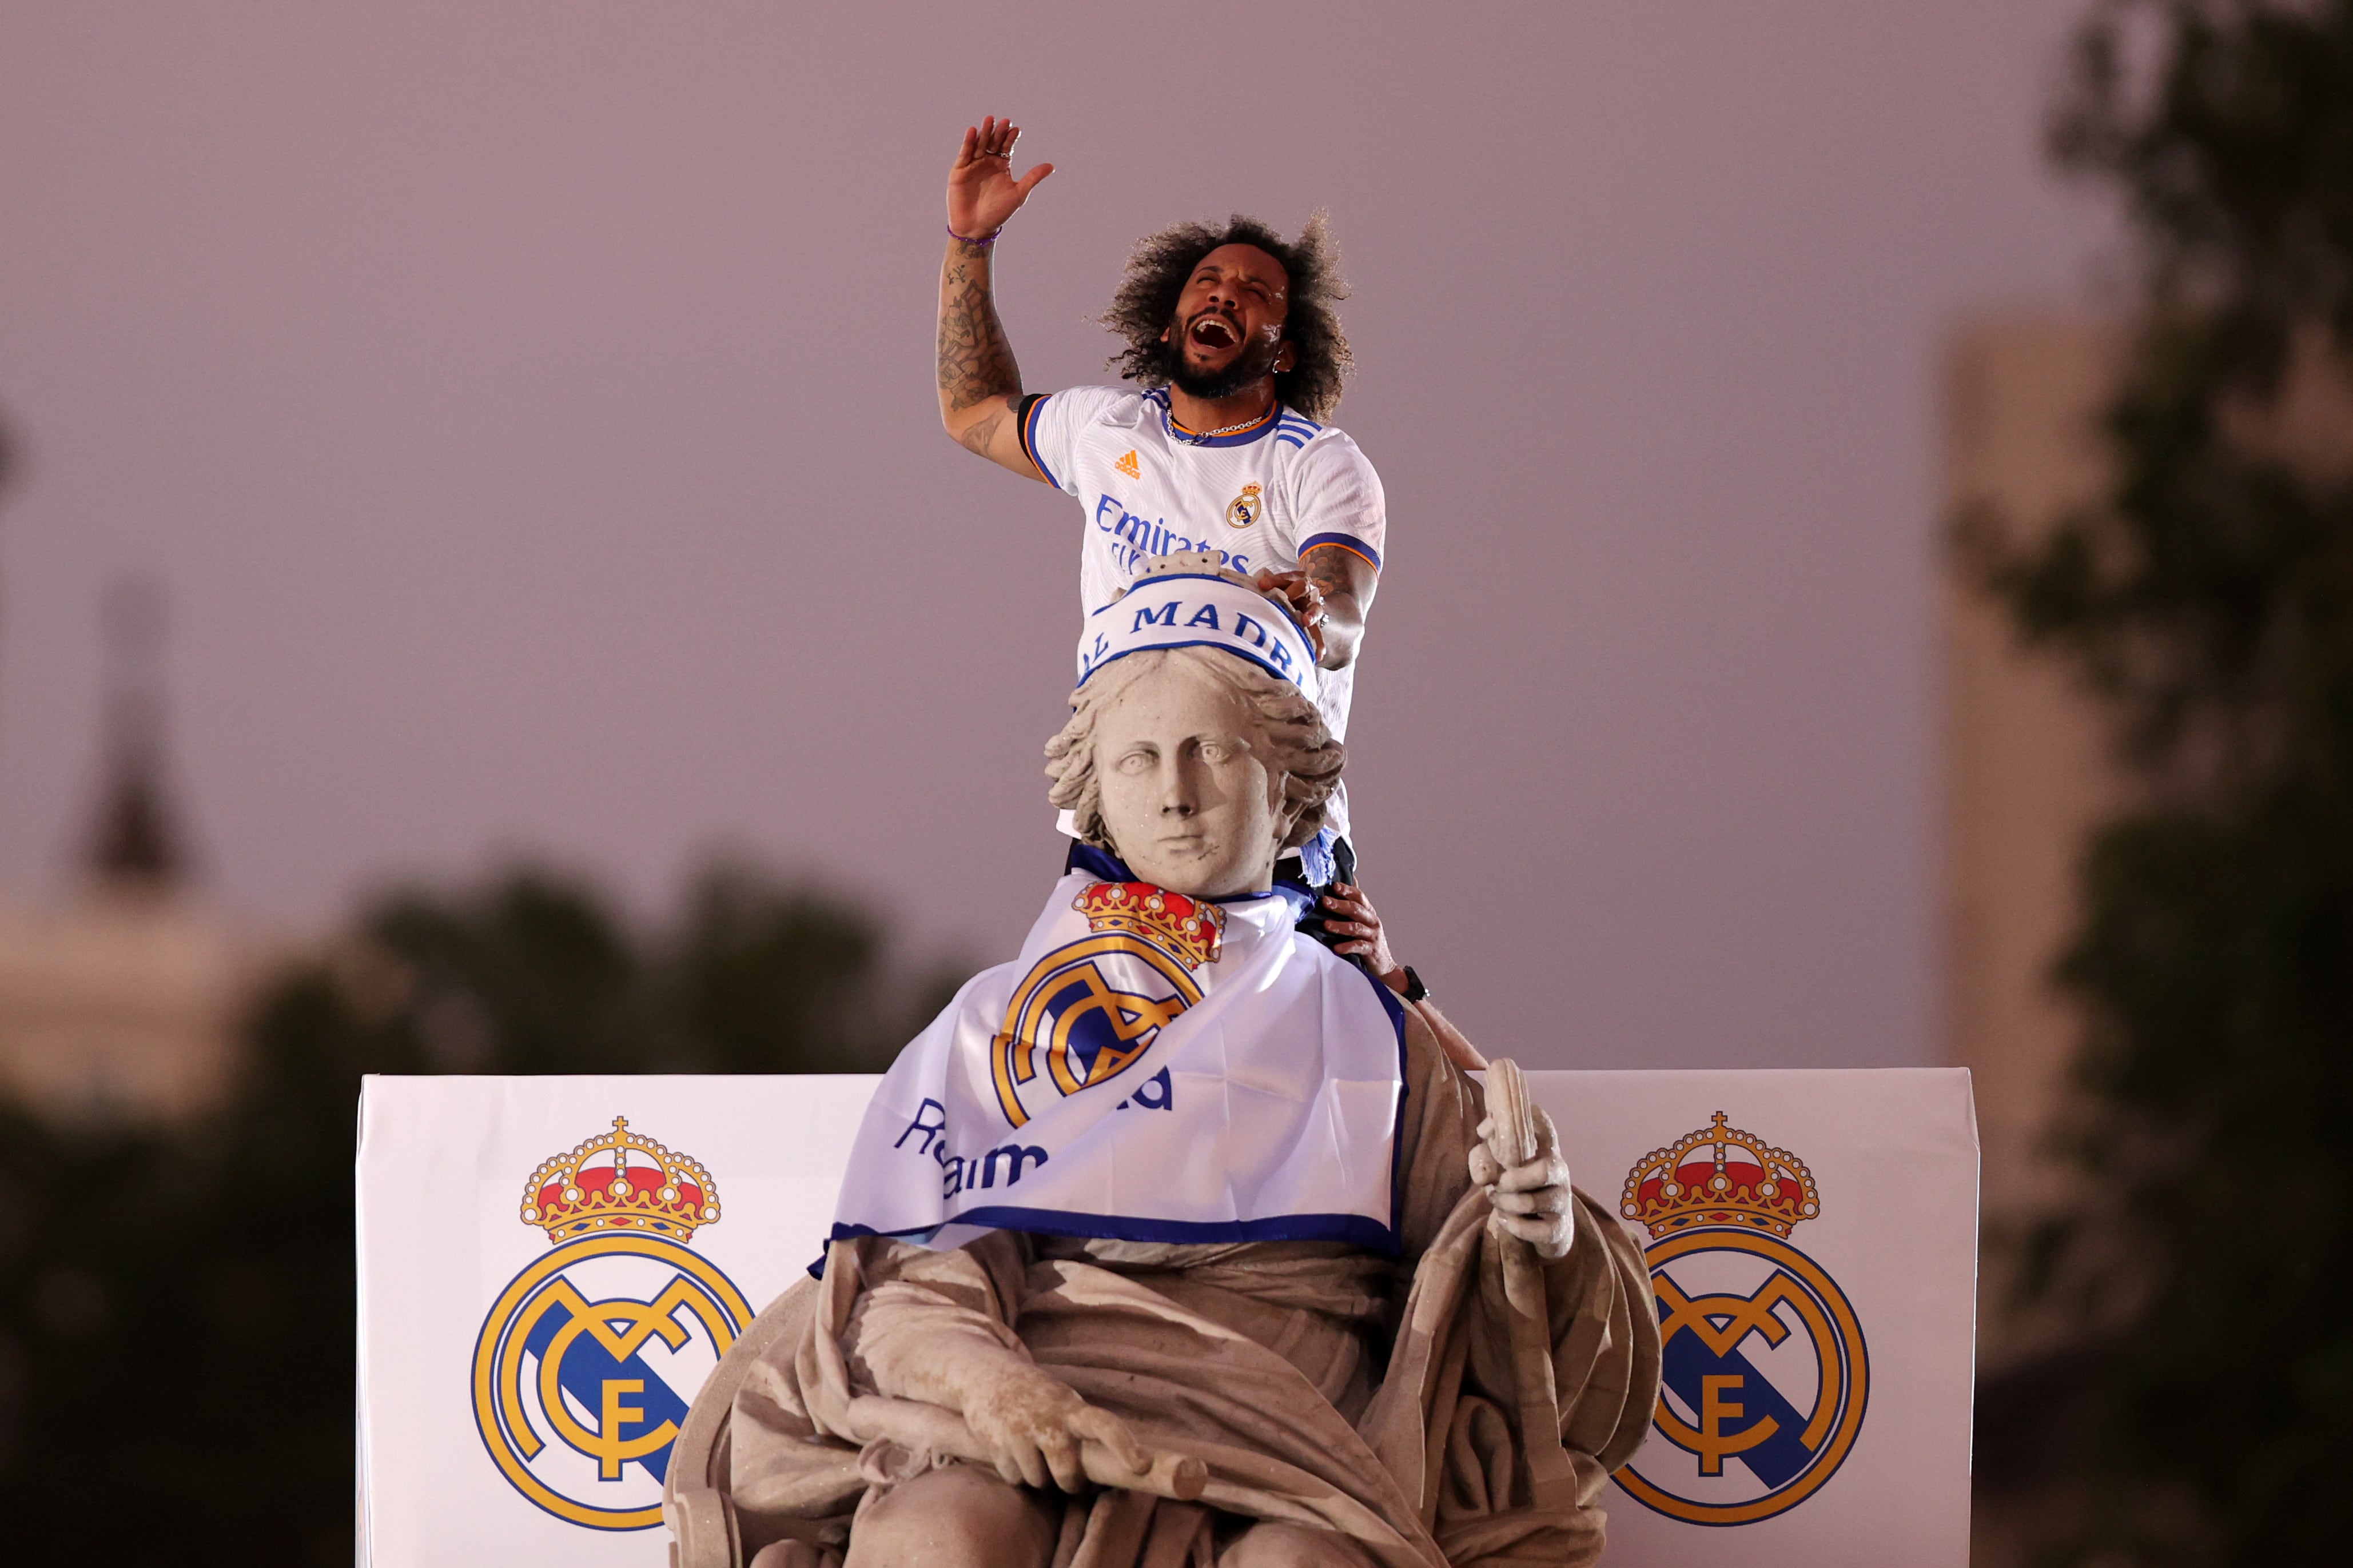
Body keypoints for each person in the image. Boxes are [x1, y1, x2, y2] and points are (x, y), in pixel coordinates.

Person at [680, 562, 1659, 1568]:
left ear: (1288, 791)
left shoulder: (1377, 1037)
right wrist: (992, 1386)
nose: (1177, 795)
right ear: (1095, 796)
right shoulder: (994, 1020)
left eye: (1212, 752)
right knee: (937, 1535)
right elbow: (911, 1278)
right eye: (1138, 760)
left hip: (1293, 1446)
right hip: (1034, 1404)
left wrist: (1536, 1232)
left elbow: (1491, 1306)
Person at [933, 116, 1387, 893]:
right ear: (1172, 315)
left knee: (1350, 1013)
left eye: (1254, 292)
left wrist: (1312, 610)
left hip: (1269, 841)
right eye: (1206, 283)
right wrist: (970, 246)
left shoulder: (1318, 462)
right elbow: (972, 409)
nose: (1223, 294)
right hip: (1122, 831)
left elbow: (1341, 614)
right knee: (1040, 1017)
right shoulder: (1107, 429)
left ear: (1283, 349)